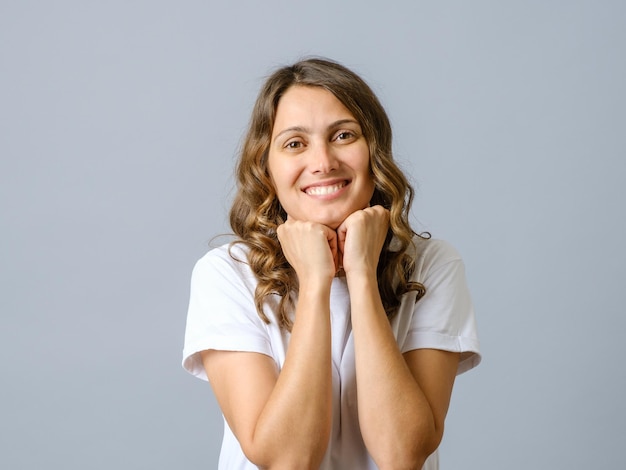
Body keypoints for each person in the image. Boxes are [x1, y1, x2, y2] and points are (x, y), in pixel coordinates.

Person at [182, 57, 481, 470]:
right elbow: (287, 460)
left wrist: (360, 275)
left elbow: (402, 454)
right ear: (266, 167)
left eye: (343, 135)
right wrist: (316, 282)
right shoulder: (226, 273)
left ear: (374, 154)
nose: (323, 162)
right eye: (294, 143)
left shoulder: (432, 264)